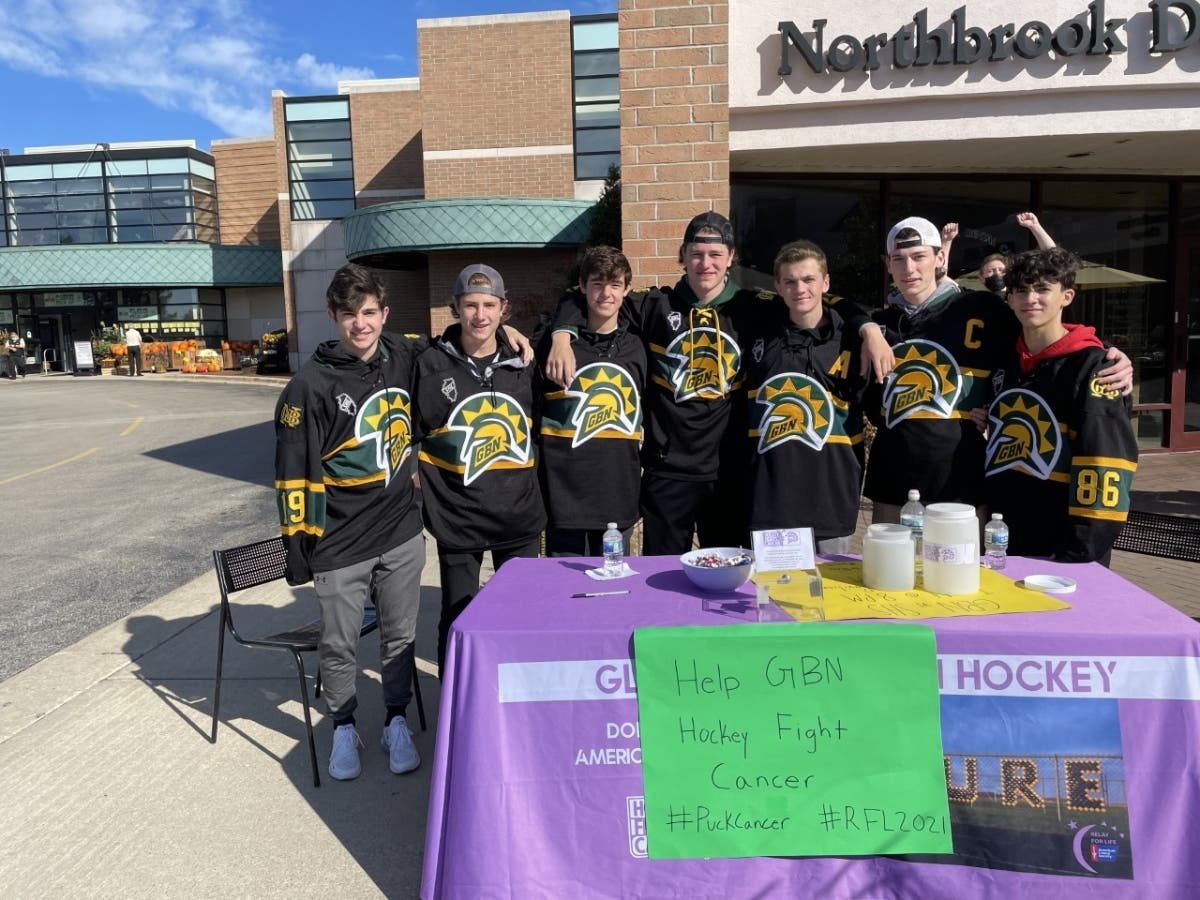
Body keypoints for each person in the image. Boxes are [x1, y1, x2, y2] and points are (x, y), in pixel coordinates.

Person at [546, 211, 892, 555]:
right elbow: (583, 297)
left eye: (715, 255)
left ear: (731, 258)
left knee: (725, 578)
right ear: (682, 256)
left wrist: (869, 328)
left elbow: (820, 298)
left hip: (730, 472)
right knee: (664, 576)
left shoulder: (753, 307)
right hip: (668, 471)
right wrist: (562, 335)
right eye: (696, 254)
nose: (705, 264)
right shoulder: (654, 305)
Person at [864, 216, 1132, 524]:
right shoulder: (877, 323)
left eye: (918, 257)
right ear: (887, 264)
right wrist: (868, 328)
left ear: (940, 258)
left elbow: (1044, 326)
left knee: (959, 569)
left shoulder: (983, 308)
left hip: (962, 476)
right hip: (892, 476)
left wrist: (1106, 353)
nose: (909, 269)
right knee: (890, 569)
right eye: (899, 259)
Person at [274, 263, 425, 781]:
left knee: (402, 636)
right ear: (333, 317)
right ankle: (342, 725)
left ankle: (396, 719)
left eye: (368, 313)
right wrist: (300, 548)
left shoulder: (403, 354)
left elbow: (459, 345)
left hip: (402, 532)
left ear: (384, 314)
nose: (360, 324)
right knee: (338, 644)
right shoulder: (309, 385)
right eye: (348, 315)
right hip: (340, 542)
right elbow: (293, 474)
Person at [413, 264, 545, 670]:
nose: (480, 315)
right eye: (471, 305)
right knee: (457, 620)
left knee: (525, 618)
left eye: (489, 305)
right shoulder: (430, 363)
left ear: (504, 309)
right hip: (459, 518)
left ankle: (521, 704)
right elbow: (413, 432)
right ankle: (452, 715)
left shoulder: (524, 362)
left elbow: (540, 426)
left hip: (517, 515)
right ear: (455, 307)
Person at [980, 247, 1137, 564]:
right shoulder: (1005, 363)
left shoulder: (1095, 368)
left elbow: (1105, 467)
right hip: (1006, 538)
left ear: (1067, 296)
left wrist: (1077, 551)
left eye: (1042, 289)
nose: (1031, 299)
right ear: (1009, 299)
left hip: (1062, 551)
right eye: (1021, 290)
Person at [744, 241, 867, 553]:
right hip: (772, 504)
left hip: (831, 499)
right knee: (773, 599)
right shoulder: (758, 332)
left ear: (825, 283)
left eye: (809, 279)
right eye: (790, 281)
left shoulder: (854, 339)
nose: (800, 289)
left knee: (831, 598)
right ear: (778, 287)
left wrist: (870, 329)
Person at [537, 246, 646, 557]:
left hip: (617, 496)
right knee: (566, 597)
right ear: (583, 286)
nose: (605, 294)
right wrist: (559, 335)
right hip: (564, 497)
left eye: (614, 285)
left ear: (627, 289)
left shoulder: (638, 346)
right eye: (597, 284)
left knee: (612, 596)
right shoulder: (553, 343)